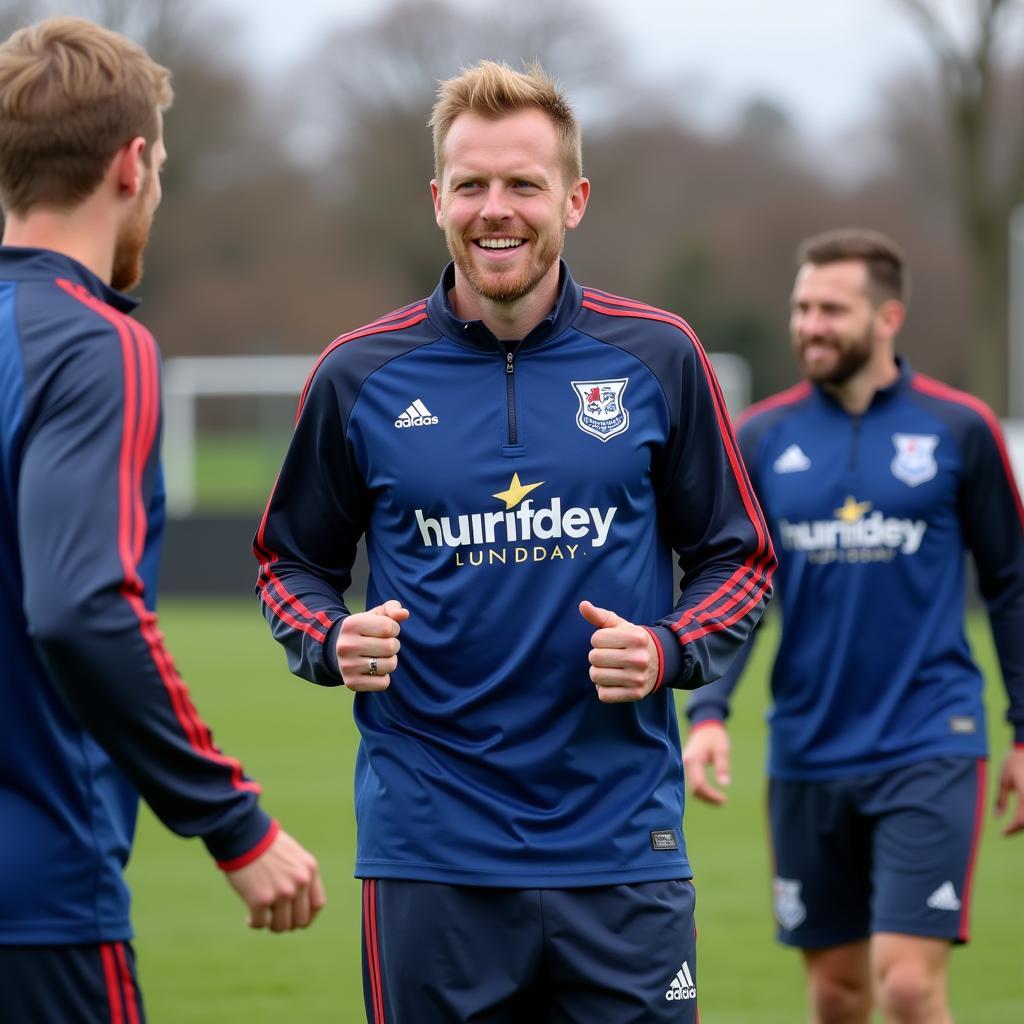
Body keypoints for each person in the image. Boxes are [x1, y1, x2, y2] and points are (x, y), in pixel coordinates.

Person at [255, 59, 775, 1023]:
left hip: (621, 847)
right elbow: (291, 565)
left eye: (524, 184)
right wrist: (330, 639)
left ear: (573, 199)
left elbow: (738, 560)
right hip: (431, 851)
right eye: (473, 185)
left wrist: (669, 648)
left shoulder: (659, 356)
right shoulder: (356, 376)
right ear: (437, 200)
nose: (498, 210)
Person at [0, 17, 325, 1023]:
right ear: (133, 164)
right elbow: (82, 606)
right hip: (36, 895)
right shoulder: (93, 345)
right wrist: (232, 821)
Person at [683, 228, 1024, 1024]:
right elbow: (737, 592)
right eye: (802, 308)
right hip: (807, 747)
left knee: (907, 986)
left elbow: (1011, 585)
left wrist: (1022, 729)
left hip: (929, 740)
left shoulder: (960, 428)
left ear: (887, 318)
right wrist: (709, 713)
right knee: (837, 995)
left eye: (832, 309)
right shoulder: (763, 437)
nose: (810, 325)